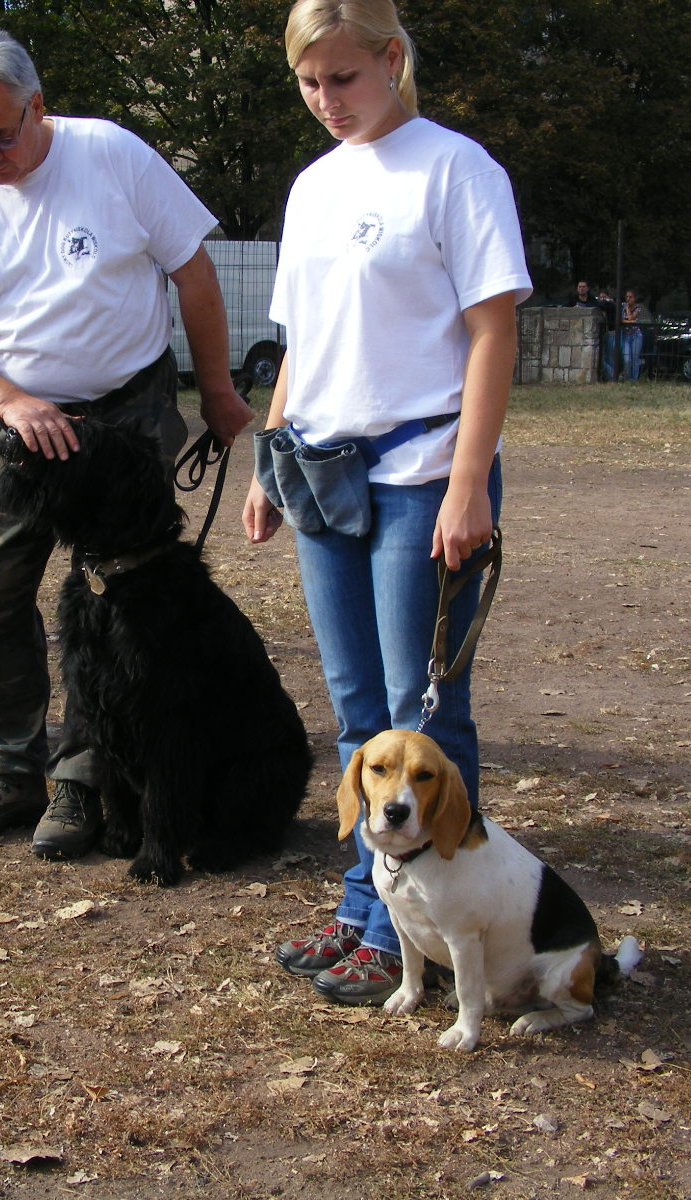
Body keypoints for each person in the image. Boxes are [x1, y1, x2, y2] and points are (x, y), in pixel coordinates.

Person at [245, 0, 530, 1005]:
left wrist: (466, 482)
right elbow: (300, 340)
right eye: (310, 83)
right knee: (359, 714)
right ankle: (370, 909)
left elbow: (493, 333)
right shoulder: (314, 186)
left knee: (423, 714)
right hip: (321, 471)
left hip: (422, 474)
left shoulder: (456, 168)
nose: (327, 101)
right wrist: (266, 462)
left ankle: (448, 931)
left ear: (391, 58)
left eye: (345, 79)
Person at [0, 27, 252, 860]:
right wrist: (11, 401)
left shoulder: (112, 155)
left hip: (125, 414)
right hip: (17, 423)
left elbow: (195, 276)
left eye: (0, 135)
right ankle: (7, 768)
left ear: (37, 105)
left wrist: (215, 392)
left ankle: (83, 780)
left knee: (117, 602)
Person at [620, 288, 644, 381]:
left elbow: (630, 318)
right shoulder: (622, 307)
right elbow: (622, 320)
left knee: (635, 358)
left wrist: (628, 317)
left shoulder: (638, 308)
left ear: (634, 298)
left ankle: (634, 379)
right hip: (626, 335)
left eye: (630, 297)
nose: (628, 299)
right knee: (627, 358)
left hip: (636, 335)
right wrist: (629, 321)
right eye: (626, 297)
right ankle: (627, 377)